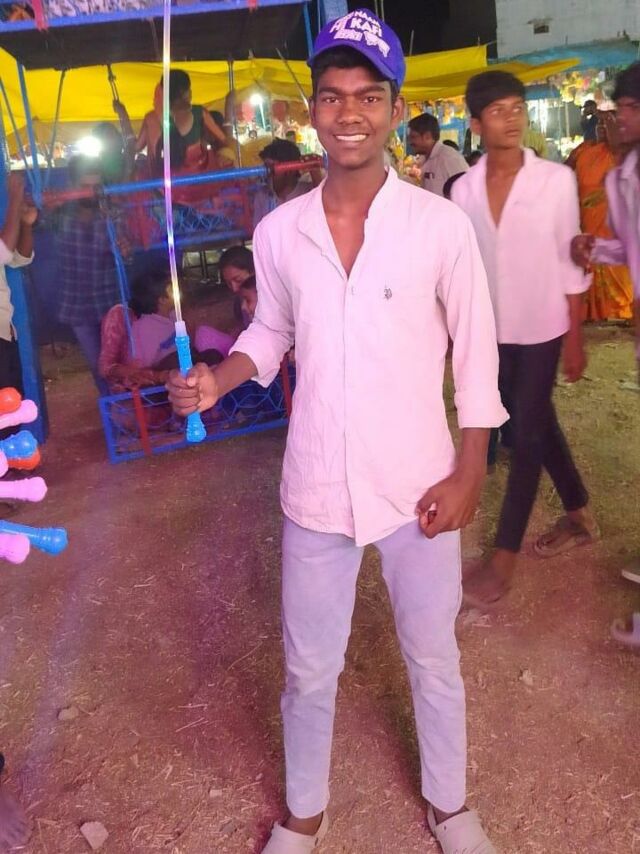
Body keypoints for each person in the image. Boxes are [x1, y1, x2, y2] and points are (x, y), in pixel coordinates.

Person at [168, 10, 505, 854]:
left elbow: (477, 350)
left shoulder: (438, 225)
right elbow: (270, 331)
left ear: (394, 109)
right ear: (311, 110)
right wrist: (218, 379)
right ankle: (304, 813)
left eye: (367, 96)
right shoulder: (280, 232)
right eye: (331, 96)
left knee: (432, 655)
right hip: (317, 484)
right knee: (309, 666)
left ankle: (450, 805)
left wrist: (470, 469)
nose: (348, 112)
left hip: (419, 481)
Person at [451, 71, 596, 610]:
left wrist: (575, 337)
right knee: (536, 420)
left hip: (543, 328)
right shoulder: (462, 191)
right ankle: (578, 512)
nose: (512, 119)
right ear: (476, 123)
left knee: (525, 435)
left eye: (517, 107)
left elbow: (570, 261)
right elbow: (463, 270)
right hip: (493, 332)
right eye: (498, 111)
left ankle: (504, 557)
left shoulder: (555, 180)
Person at [571, 62, 640, 647]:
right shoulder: (622, 175)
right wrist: (594, 247)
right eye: (620, 110)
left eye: (632, 109)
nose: (620, 120)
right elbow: (631, 247)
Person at [99, 264, 224, 393]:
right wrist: (163, 374)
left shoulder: (175, 316)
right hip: (162, 377)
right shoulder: (145, 326)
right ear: (162, 300)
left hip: (184, 364)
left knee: (212, 355)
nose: (179, 292)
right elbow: (145, 365)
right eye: (172, 290)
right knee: (176, 361)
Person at [55, 156, 121, 396]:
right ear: (72, 186)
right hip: (77, 306)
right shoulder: (58, 216)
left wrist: (124, 250)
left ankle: (125, 409)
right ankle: (112, 409)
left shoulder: (113, 215)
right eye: (84, 186)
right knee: (98, 367)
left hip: (109, 303)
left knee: (118, 363)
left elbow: (127, 256)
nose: (91, 193)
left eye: (96, 186)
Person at [571, 109, 634, 321]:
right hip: (587, 232)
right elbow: (563, 174)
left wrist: (604, 114)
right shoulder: (584, 151)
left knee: (619, 298)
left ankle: (619, 320)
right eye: (599, 123)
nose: (602, 126)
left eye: (609, 122)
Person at [0, 173, 36, 416]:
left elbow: (19, 258)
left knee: (12, 410)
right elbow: (3, 252)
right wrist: (14, 198)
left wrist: (26, 225)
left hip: (5, 332)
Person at [252, 138, 318, 228]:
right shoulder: (262, 196)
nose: (267, 174)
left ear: (290, 170)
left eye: (271, 169)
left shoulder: (309, 192)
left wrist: (314, 169)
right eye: (265, 168)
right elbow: (258, 230)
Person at [407, 112, 468, 197]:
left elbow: (466, 192)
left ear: (427, 136)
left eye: (413, 137)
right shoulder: (425, 159)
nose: (410, 142)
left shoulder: (448, 158)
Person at [217, 245, 255, 330]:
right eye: (229, 283)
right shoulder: (238, 304)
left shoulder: (272, 299)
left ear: (254, 271)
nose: (234, 289)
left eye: (238, 280)